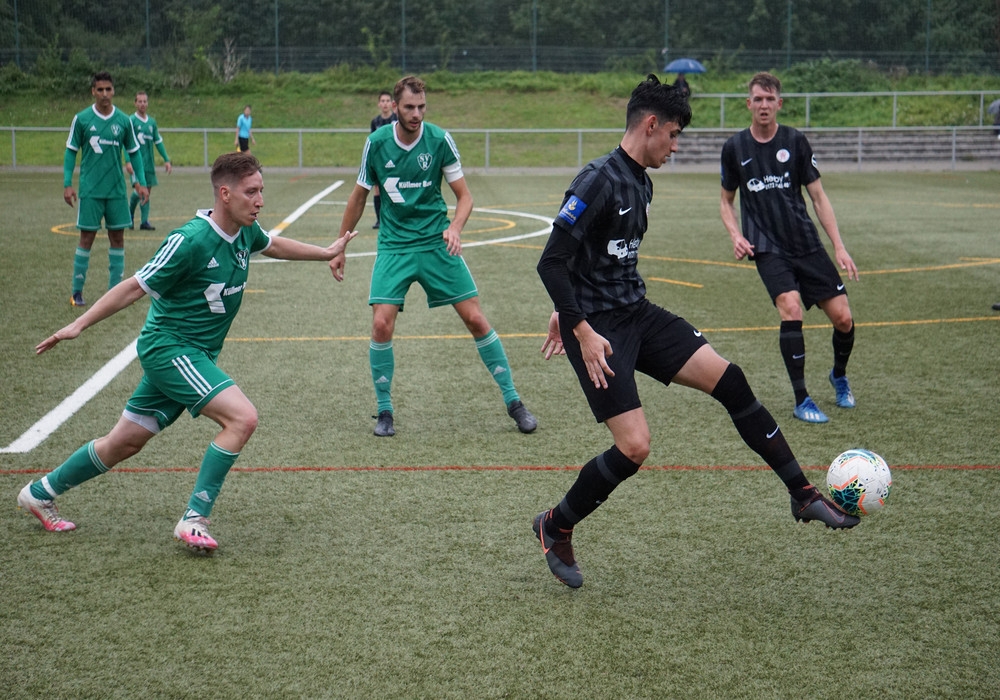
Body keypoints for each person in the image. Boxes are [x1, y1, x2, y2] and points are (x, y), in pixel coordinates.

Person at [531, 74, 858, 589]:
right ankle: (555, 525)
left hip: (636, 312)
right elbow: (551, 261)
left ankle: (802, 494)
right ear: (650, 124)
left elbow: (595, 258)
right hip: (599, 331)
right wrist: (578, 325)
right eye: (674, 135)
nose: (676, 146)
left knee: (731, 380)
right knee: (635, 447)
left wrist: (567, 303)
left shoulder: (642, 181)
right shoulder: (596, 180)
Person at [19, 152, 358, 552]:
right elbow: (134, 286)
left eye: (261, 191)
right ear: (225, 194)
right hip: (171, 349)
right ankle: (194, 518)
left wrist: (325, 252)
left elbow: (273, 244)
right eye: (252, 192)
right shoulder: (190, 240)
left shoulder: (246, 231)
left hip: (194, 354)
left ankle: (39, 493)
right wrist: (79, 324)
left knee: (123, 442)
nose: (260, 201)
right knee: (243, 418)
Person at [333, 75, 537, 438]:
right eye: (409, 107)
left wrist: (455, 227)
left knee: (476, 318)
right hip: (395, 245)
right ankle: (384, 410)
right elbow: (359, 196)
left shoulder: (439, 140)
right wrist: (340, 245)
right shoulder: (376, 143)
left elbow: (465, 197)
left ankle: (514, 402)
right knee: (381, 324)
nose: (417, 114)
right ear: (395, 107)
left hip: (435, 242)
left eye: (422, 106)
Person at [720, 71, 859, 425]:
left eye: (770, 99)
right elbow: (726, 201)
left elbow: (818, 197)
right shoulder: (734, 148)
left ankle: (838, 376)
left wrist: (839, 247)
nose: (764, 105)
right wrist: (735, 235)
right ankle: (802, 399)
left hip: (805, 243)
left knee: (843, 318)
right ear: (748, 104)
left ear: (779, 104)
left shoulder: (795, 141)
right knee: (791, 307)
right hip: (767, 247)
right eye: (758, 99)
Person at [64, 71, 149, 307]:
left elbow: (134, 153)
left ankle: (114, 293)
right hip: (90, 191)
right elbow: (71, 151)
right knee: (86, 238)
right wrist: (67, 184)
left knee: (118, 238)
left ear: (113, 91)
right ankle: (76, 292)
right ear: (93, 91)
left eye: (108, 89)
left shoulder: (123, 121)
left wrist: (140, 182)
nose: (104, 94)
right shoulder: (82, 119)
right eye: (100, 89)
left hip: (116, 192)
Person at [129, 91, 172, 231]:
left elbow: (158, 142)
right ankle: (130, 216)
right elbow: (126, 143)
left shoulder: (152, 122)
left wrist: (166, 159)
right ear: (135, 103)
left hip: (148, 164)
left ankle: (144, 222)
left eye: (145, 101)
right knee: (139, 191)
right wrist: (128, 161)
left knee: (146, 192)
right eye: (140, 101)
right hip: (136, 164)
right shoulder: (131, 121)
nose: (142, 104)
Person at [369, 90, 398, 230]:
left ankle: (396, 219)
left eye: (387, 101)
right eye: (382, 101)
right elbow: (373, 142)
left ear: (392, 103)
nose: (385, 104)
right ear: (379, 104)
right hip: (381, 160)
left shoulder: (397, 119)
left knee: (396, 187)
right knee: (378, 189)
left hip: (395, 158)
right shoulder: (375, 122)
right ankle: (379, 220)